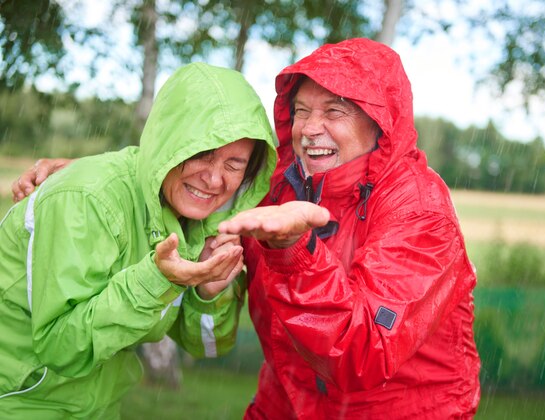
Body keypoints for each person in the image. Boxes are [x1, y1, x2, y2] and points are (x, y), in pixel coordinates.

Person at [13, 38, 480, 419]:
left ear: (380, 123)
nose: (310, 129)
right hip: (287, 402)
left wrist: (294, 247)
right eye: (300, 111)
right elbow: (187, 170)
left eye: (334, 112)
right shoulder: (280, 187)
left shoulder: (418, 211)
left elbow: (363, 353)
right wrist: (92, 176)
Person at [0, 62, 277, 417]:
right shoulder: (87, 200)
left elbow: (204, 345)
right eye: (201, 153)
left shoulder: (197, 222)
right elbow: (62, 348)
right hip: (18, 403)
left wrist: (209, 293)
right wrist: (156, 280)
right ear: (169, 142)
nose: (214, 178)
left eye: (234, 164)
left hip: (96, 407)